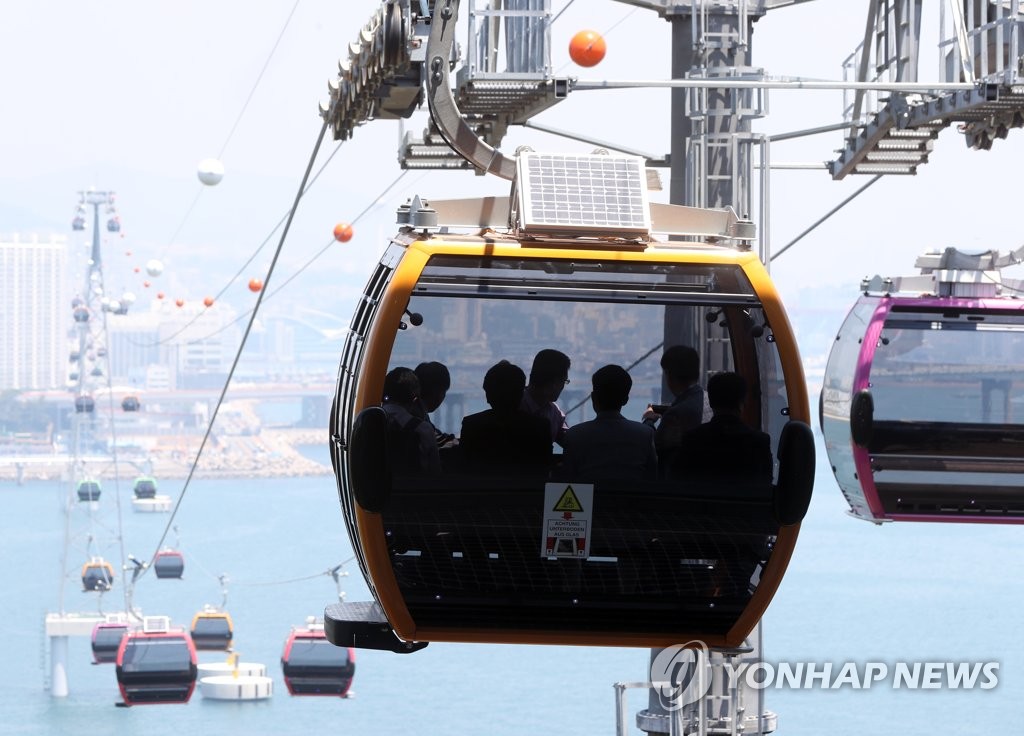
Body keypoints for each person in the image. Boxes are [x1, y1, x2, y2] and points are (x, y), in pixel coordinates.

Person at [671, 371, 773, 488]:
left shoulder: (691, 439)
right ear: (742, 403)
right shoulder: (760, 442)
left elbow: (677, 479)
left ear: (710, 402)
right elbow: (766, 483)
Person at [560, 365, 657, 481]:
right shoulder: (646, 434)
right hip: (630, 493)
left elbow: (568, 478)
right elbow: (652, 477)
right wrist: (649, 421)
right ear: (625, 400)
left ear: (593, 398)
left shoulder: (574, 435)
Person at [460, 361, 552, 475]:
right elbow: (544, 470)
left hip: (483, 487)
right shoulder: (541, 427)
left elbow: (463, 468)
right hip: (526, 487)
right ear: (521, 394)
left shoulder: (471, 425)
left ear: (489, 396)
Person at [642, 345, 704, 474]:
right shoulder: (706, 399)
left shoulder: (675, 414)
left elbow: (654, 449)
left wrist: (649, 421)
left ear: (669, 375)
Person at [382, 367, 441, 475]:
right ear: (415, 399)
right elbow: (435, 472)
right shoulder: (424, 429)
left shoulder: (369, 422)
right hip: (413, 485)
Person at [520, 348, 571, 447]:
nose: (563, 387)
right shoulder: (554, 413)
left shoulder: (554, 412)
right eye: (564, 381)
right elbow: (571, 441)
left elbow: (568, 439)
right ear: (554, 383)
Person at [414, 361, 456, 447]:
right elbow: (436, 440)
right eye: (444, 391)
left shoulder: (412, 410)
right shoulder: (419, 420)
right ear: (438, 393)